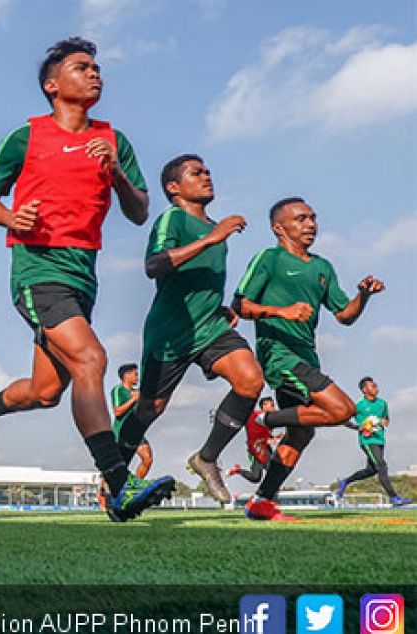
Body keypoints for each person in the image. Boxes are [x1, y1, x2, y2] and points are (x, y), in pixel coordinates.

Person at [0, 36, 172, 522]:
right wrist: (12, 218)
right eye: (82, 67)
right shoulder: (26, 136)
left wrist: (116, 172)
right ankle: (118, 485)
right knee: (91, 359)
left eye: (97, 67)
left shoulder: (113, 140)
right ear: (52, 85)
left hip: (84, 274)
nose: (95, 73)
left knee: (45, 391)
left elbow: (140, 212)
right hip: (38, 269)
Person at [115, 154, 264, 505]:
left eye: (208, 171)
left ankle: (207, 458)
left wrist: (220, 306)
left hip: (210, 328)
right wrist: (211, 239)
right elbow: (154, 265)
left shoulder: (216, 228)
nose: (207, 176)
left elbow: (199, 280)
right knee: (150, 410)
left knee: (250, 379)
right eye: (196, 173)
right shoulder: (173, 218)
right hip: (170, 332)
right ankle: (115, 475)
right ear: (174, 187)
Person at [233, 197, 384, 521]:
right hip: (279, 355)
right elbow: (240, 305)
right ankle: (263, 420)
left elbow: (344, 315)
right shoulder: (269, 259)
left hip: (307, 357)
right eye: (301, 218)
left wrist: (364, 295)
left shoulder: (322, 267)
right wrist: (280, 311)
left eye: (313, 218)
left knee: (301, 434)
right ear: (279, 227)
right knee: (342, 409)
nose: (310, 224)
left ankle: (261, 502)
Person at [336, 377, 411, 506]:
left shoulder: (382, 403)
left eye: (376, 385)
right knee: (381, 466)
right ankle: (394, 498)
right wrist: (358, 427)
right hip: (367, 440)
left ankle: (345, 481)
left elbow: (386, 419)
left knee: (371, 470)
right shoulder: (358, 405)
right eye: (373, 386)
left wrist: (383, 422)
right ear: (364, 389)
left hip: (380, 440)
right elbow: (342, 419)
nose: (376, 388)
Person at [227, 397, 282, 484]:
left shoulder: (270, 419)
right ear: (264, 407)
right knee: (264, 473)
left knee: (256, 477)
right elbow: (254, 433)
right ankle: (267, 491)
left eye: (273, 405)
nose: (273, 408)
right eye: (271, 405)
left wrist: (274, 438)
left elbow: (264, 434)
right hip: (255, 449)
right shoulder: (256, 416)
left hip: (265, 447)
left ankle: (238, 470)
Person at [110, 363, 149, 478]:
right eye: (135, 374)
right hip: (122, 432)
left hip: (136, 431)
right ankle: (103, 491)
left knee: (147, 458)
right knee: (119, 466)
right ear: (126, 375)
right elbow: (117, 411)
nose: (137, 377)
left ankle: (135, 485)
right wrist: (133, 399)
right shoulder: (118, 390)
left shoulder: (137, 392)